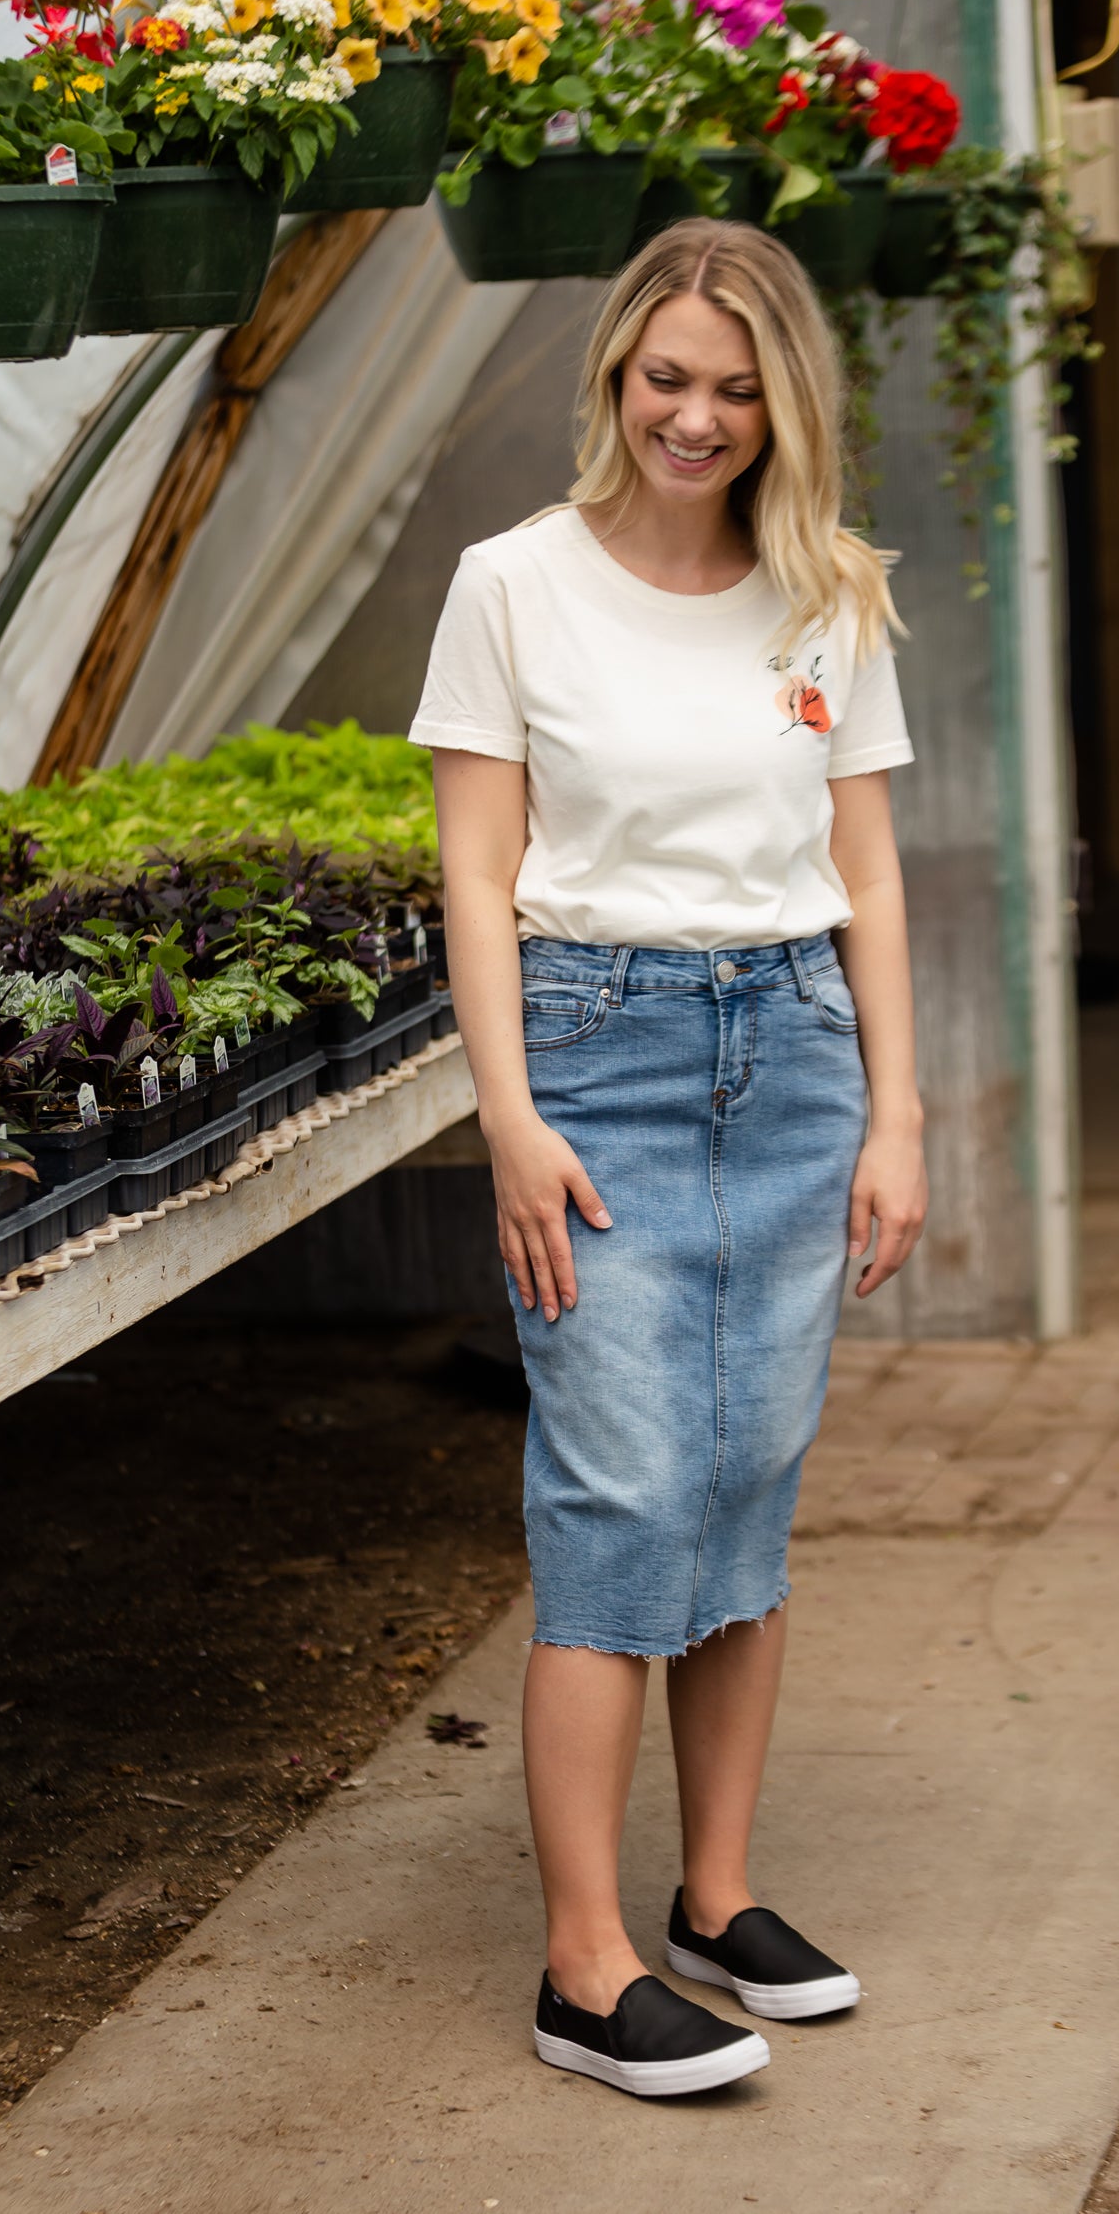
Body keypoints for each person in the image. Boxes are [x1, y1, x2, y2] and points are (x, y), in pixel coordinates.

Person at [408, 218, 928, 2099]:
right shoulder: (513, 585)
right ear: (615, 374)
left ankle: (714, 1900)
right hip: (598, 1053)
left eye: (736, 390)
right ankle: (582, 1964)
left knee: (747, 1482)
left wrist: (899, 1114)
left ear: (785, 407)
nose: (695, 419)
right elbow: (477, 870)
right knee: (622, 1496)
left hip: (790, 1053)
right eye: (666, 380)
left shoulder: (828, 599)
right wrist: (511, 1116)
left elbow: (862, 874)